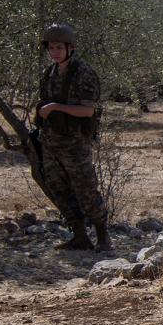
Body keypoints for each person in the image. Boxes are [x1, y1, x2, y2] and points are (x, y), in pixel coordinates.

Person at [35, 22, 110, 251]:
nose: (54, 52)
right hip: (51, 142)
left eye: (59, 47)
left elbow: (88, 110)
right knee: (59, 188)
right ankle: (79, 236)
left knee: (86, 188)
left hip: (75, 144)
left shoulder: (84, 73)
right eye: (51, 48)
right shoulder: (49, 74)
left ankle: (103, 237)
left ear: (70, 48)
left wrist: (56, 107)